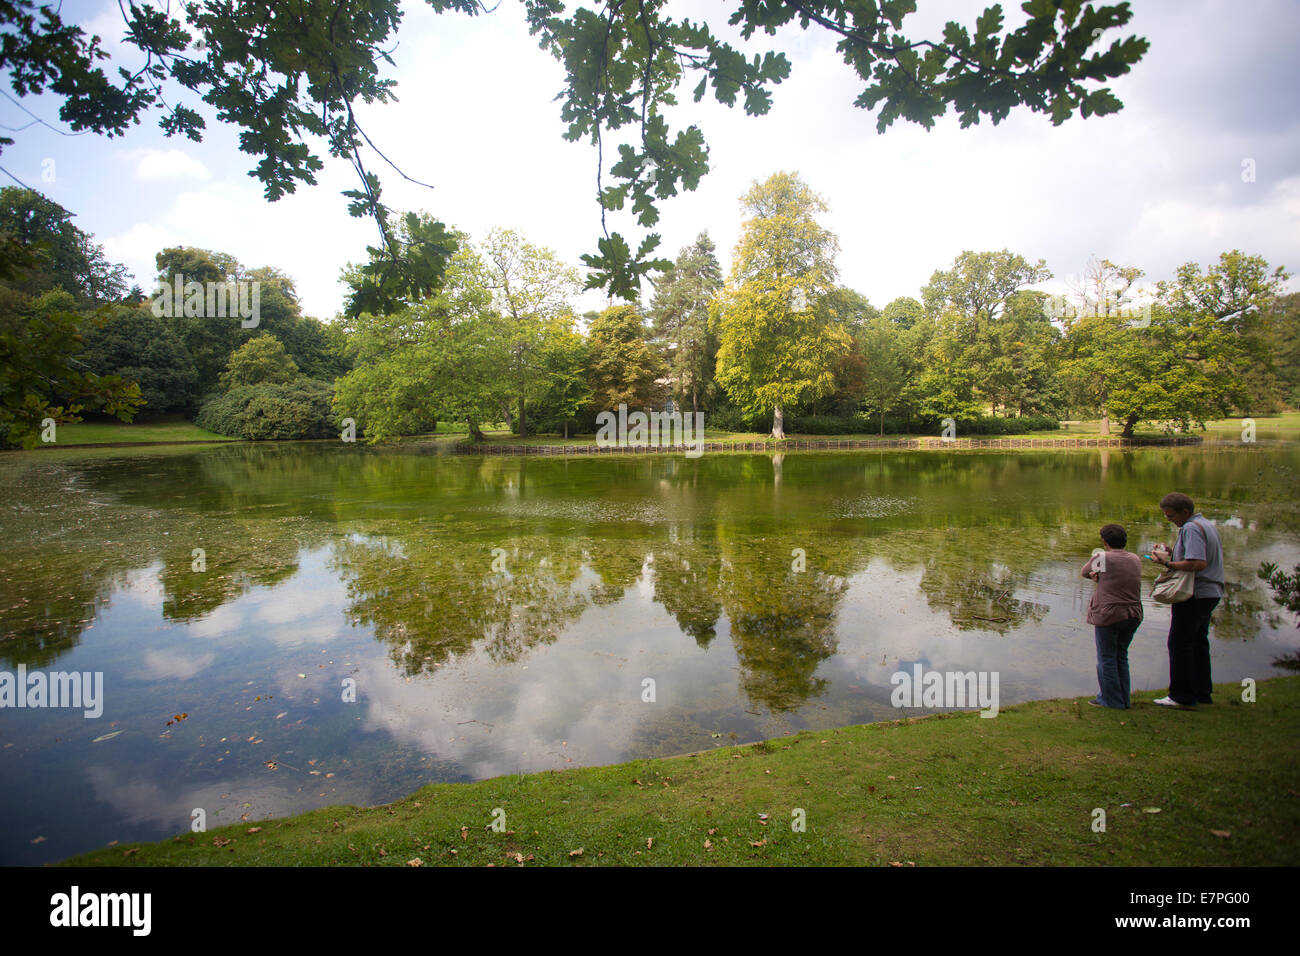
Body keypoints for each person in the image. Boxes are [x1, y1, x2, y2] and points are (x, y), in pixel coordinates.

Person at [1151, 492, 1224, 709]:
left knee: (1180, 643)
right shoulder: (1205, 524)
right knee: (1198, 642)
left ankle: (1181, 696)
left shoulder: (1191, 528)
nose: (1169, 520)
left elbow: (1198, 563)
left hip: (1195, 593)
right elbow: (1195, 556)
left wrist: (1167, 565)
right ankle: (1202, 692)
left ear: (1185, 511)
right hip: (1211, 592)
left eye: (1171, 516)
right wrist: (1171, 554)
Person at [1080, 524, 1143, 708]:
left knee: (1106, 658)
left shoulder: (1103, 557)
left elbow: (1084, 572)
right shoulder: (1135, 558)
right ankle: (1124, 699)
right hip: (1133, 613)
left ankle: (1110, 700)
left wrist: (1095, 574)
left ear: (1105, 542)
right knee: (1121, 656)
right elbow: (1118, 577)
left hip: (1110, 614)